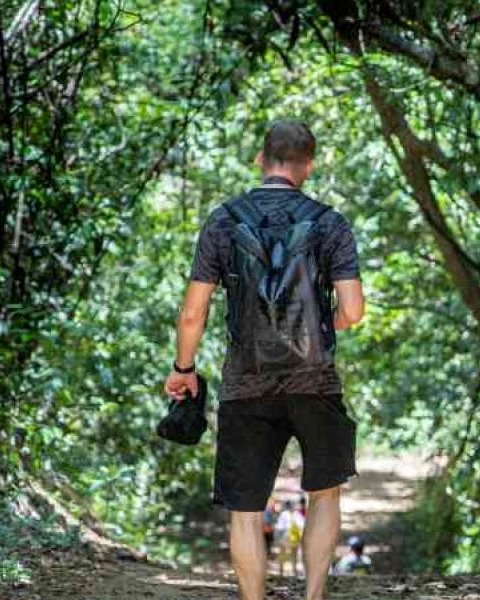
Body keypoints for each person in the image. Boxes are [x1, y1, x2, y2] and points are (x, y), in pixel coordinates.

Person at [163, 120, 365, 600]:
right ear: (308, 166)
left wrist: (184, 369)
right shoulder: (330, 223)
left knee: (246, 509)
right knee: (324, 492)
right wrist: (319, 330)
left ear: (261, 159)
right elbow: (353, 311)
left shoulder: (223, 220)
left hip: (245, 383)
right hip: (316, 381)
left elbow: (194, 313)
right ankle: (313, 595)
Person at [274, 500, 305, 577]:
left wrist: (277, 537)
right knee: (293, 554)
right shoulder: (297, 514)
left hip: (286, 537)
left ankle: (282, 571)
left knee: (283, 554)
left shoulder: (284, 514)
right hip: (293, 537)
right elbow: (302, 525)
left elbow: (279, 526)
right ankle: (292, 571)